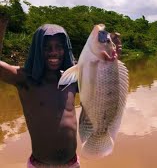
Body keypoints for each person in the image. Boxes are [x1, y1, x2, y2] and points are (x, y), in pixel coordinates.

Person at [0, 24, 122, 167]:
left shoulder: (73, 79)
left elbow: (102, 88)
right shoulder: (24, 79)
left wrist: (110, 61)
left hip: (71, 164)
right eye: (47, 48)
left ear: (66, 49)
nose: (54, 52)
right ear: (37, 49)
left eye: (59, 47)